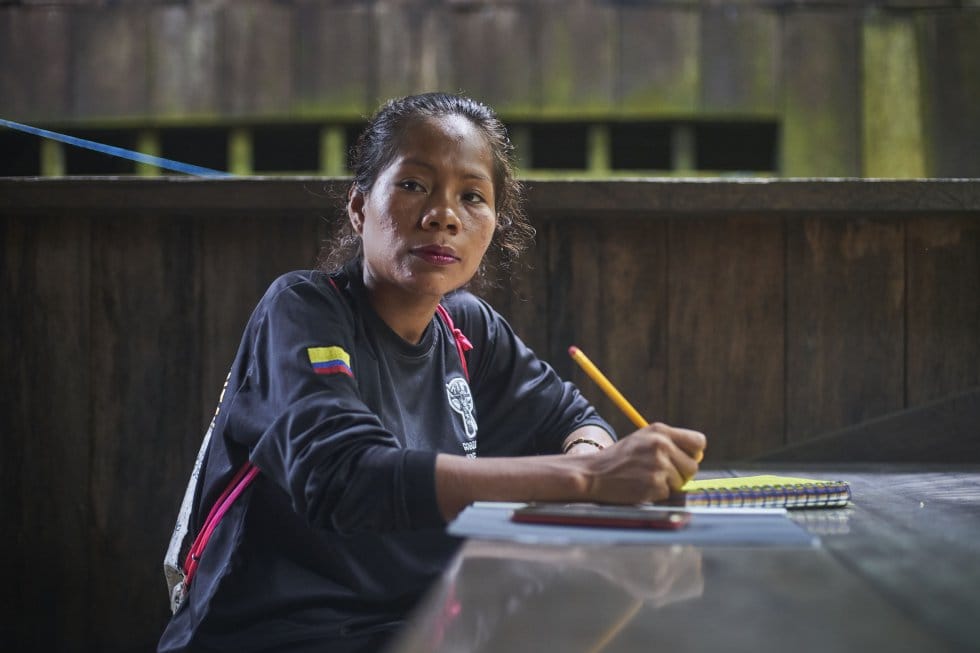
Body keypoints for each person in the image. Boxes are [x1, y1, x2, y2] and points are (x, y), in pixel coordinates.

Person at [157, 92, 706, 653]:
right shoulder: (302, 310)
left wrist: (591, 456)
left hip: (416, 634)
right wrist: (588, 482)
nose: (443, 215)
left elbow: (571, 418)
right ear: (359, 206)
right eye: (414, 185)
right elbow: (344, 476)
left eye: (472, 196)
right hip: (275, 636)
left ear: (493, 226)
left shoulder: (467, 329)